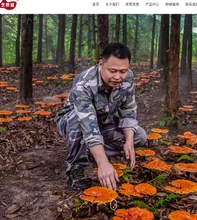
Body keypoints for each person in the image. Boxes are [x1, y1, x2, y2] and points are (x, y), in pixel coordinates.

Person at [55, 43, 147, 191]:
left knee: (140, 136)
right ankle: (76, 167)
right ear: (100, 64)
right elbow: (88, 125)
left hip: (104, 121)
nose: (118, 77)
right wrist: (103, 164)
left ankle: (93, 152)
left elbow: (128, 110)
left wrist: (129, 141)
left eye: (123, 71)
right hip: (74, 122)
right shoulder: (84, 83)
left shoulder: (128, 77)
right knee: (78, 121)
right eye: (112, 71)